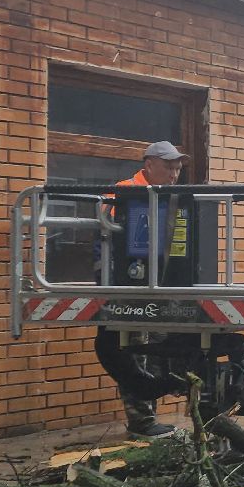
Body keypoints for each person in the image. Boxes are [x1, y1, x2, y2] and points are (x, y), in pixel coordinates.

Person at [106, 141, 189, 436]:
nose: (174, 174)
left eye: (178, 169)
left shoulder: (171, 196)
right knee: (134, 348)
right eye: (169, 167)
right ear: (149, 164)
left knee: (158, 347)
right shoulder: (125, 191)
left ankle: (150, 415)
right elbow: (107, 234)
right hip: (129, 285)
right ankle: (141, 421)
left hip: (160, 284)